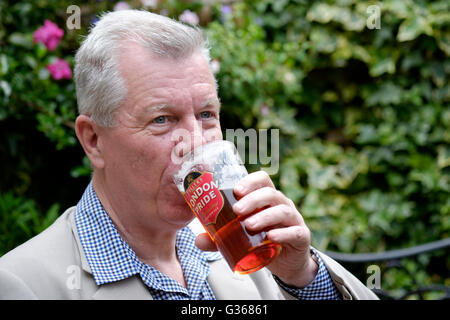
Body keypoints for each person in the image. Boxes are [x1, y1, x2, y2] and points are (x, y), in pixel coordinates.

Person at [0, 10, 377, 300]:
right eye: (162, 119)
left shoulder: (243, 245)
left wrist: (304, 276)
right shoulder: (23, 283)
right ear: (94, 140)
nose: (195, 144)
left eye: (206, 115)